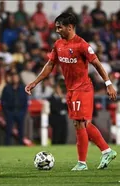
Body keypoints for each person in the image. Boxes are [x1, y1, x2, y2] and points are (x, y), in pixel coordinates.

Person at [25, 13, 117, 171]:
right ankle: (106, 151)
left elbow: (97, 64)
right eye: (56, 25)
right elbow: (49, 65)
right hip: (70, 90)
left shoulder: (81, 45)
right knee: (81, 123)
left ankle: (82, 163)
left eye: (60, 26)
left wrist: (108, 83)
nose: (57, 28)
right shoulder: (58, 44)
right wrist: (35, 82)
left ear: (70, 27)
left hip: (83, 88)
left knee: (80, 123)